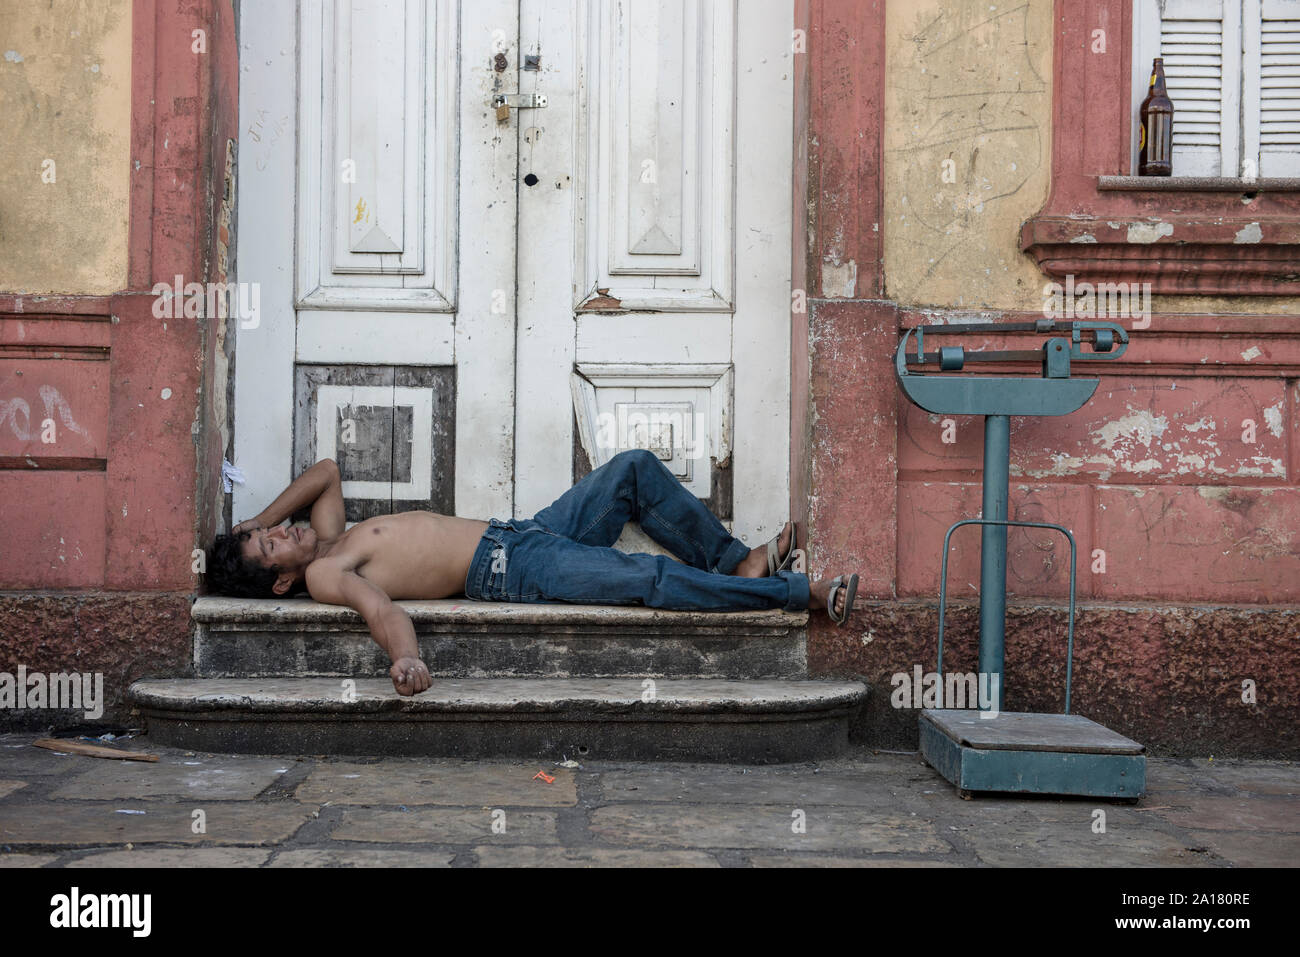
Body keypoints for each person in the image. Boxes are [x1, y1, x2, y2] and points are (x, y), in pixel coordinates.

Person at [205, 450, 858, 696]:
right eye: (270, 546)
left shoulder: (325, 536)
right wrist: (406, 661)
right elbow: (384, 612)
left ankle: (731, 560)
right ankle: (794, 591)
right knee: (644, 579)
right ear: (283, 583)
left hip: (522, 531)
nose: (281, 532)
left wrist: (248, 527)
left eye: (271, 528)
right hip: (509, 567)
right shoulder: (325, 575)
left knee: (630, 470)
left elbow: (324, 471)